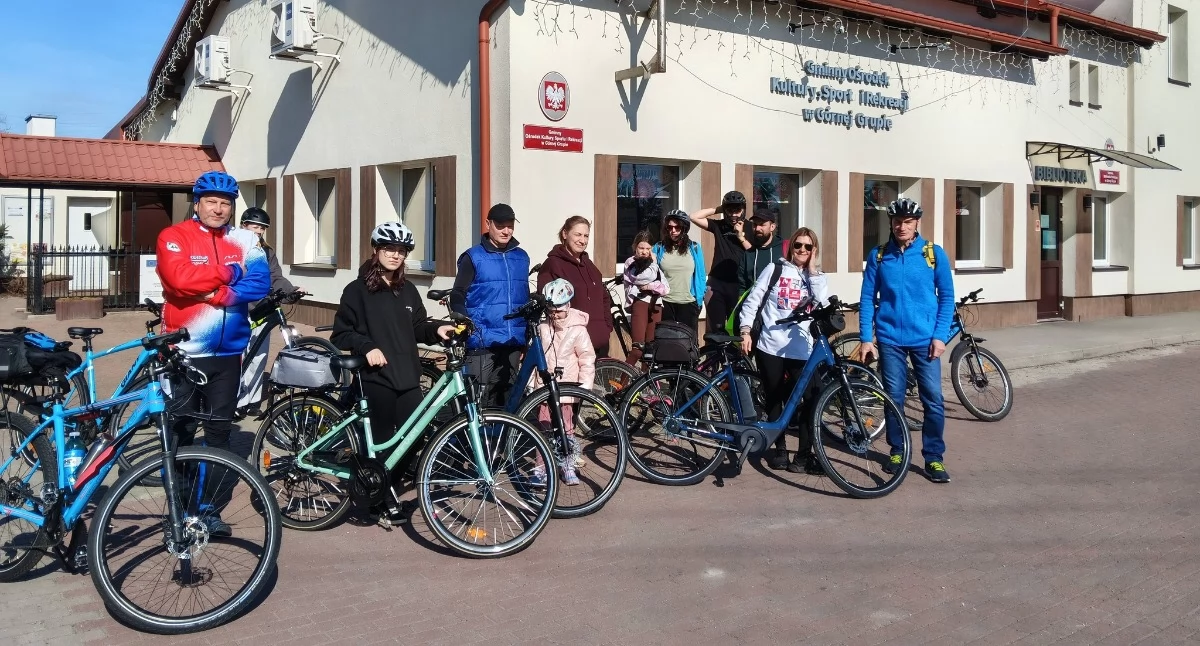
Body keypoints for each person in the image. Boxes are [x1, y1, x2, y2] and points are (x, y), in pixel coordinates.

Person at [156, 170, 271, 536]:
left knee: (219, 437)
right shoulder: (174, 236)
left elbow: (260, 283)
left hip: (228, 354)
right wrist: (230, 271)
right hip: (184, 353)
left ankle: (208, 510)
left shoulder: (245, 239)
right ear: (197, 202)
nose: (218, 209)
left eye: (225, 203)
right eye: (211, 201)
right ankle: (177, 512)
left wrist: (220, 293)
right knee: (182, 433)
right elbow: (178, 280)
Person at [331, 222, 455, 523]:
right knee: (384, 439)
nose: (395, 255)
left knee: (413, 437)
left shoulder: (408, 290)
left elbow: (417, 328)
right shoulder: (357, 290)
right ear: (376, 251)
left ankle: (382, 486)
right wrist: (367, 346)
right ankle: (379, 496)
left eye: (400, 251)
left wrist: (438, 329)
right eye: (389, 249)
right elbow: (341, 334)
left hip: (407, 375)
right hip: (376, 377)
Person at [858, 197, 955, 484]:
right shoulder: (879, 256)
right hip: (889, 339)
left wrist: (939, 336)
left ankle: (934, 458)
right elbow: (866, 299)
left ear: (916, 224)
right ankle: (897, 450)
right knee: (894, 398)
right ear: (891, 222)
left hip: (924, 340)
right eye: (897, 221)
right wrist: (866, 338)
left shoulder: (933, 254)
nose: (902, 226)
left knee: (933, 400)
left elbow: (947, 298)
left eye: (908, 222)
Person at [738, 227, 828, 474]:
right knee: (774, 398)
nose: (802, 250)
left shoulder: (817, 277)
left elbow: (822, 301)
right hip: (771, 345)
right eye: (798, 245)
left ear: (814, 250)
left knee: (812, 398)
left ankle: (803, 457)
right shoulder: (775, 269)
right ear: (791, 247)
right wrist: (746, 331)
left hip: (802, 349)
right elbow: (753, 299)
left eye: (808, 247)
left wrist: (812, 271)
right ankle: (779, 450)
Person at [449, 204, 530, 408]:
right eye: (500, 225)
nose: (506, 231)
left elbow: (524, 298)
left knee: (507, 400)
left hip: (512, 341)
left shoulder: (521, 257)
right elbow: (458, 292)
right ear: (488, 224)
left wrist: (526, 335)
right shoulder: (473, 257)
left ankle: (502, 440)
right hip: (482, 341)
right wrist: (461, 317)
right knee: (477, 402)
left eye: (510, 226)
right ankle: (472, 440)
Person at [235, 206, 303, 419]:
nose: (258, 231)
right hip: (238, 309)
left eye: (262, 228)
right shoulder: (234, 248)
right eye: (254, 226)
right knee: (238, 358)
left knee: (259, 356)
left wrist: (291, 291)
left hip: (262, 308)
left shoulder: (267, 251)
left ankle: (253, 400)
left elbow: (276, 277)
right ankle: (237, 400)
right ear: (243, 226)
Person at [529, 278, 596, 487]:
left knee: (567, 429)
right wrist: (532, 383)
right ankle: (541, 467)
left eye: (558, 310)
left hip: (567, 390)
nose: (554, 314)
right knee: (544, 429)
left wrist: (585, 388)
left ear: (568, 306)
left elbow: (587, 358)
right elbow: (534, 358)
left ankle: (567, 465)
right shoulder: (542, 328)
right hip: (544, 389)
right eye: (550, 310)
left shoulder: (578, 329)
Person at [536, 216, 615, 358]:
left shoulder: (590, 266)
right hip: (570, 347)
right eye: (578, 234)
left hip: (599, 343)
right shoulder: (553, 263)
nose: (582, 240)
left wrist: (606, 327)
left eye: (586, 236)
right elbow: (549, 304)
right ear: (565, 234)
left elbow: (604, 297)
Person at [690, 191, 751, 341]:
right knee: (715, 330)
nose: (733, 214)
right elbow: (693, 217)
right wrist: (719, 209)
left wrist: (740, 236)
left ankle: (735, 362)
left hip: (739, 285)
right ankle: (713, 362)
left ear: (743, 209)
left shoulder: (751, 227)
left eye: (737, 210)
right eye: (729, 210)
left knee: (735, 328)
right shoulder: (719, 226)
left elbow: (753, 252)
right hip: (717, 283)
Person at [652, 209, 706, 333]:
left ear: (684, 228)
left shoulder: (695, 248)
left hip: (688, 302)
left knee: (688, 345)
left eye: (677, 227)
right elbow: (650, 272)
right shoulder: (659, 248)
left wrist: (699, 299)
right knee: (667, 343)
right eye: (670, 227)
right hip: (665, 303)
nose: (673, 231)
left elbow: (701, 276)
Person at [621, 232, 669, 367]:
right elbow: (642, 277)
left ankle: (645, 385)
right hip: (640, 303)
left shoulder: (654, 264)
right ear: (635, 247)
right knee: (638, 349)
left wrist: (650, 287)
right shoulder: (631, 262)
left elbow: (666, 288)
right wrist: (654, 266)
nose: (644, 252)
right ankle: (621, 385)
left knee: (650, 350)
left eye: (648, 249)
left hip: (656, 305)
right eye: (641, 248)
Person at [733, 208, 784, 329]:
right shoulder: (749, 253)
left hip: (778, 313)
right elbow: (742, 284)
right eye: (755, 225)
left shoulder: (784, 249)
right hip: (754, 314)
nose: (757, 229)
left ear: (772, 227)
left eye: (762, 225)